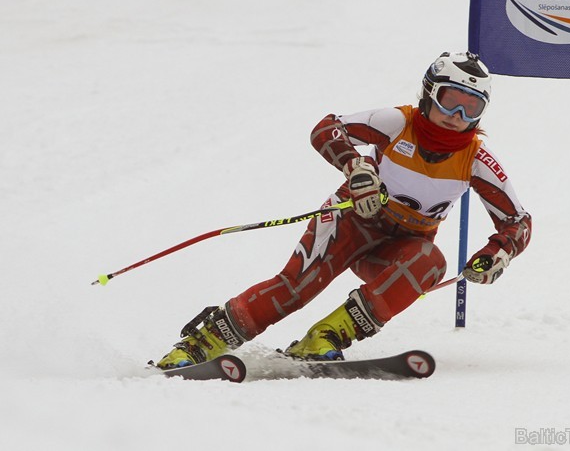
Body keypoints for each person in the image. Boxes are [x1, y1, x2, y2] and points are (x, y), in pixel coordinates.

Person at [155, 51, 532, 368]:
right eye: (451, 100)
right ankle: (199, 344)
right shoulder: (397, 123)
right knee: (295, 289)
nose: (458, 116)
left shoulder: (476, 161)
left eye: (472, 107)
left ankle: (323, 338)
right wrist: (356, 167)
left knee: (430, 262)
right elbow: (326, 128)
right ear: (429, 94)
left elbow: (517, 222)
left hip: (397, 248)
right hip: (351, 221)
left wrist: (497, 253)